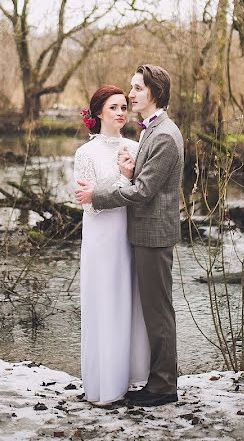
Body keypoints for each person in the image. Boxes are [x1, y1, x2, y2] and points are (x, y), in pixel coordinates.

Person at [75, 65, 183, 408]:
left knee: (157, 312)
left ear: (154, 91)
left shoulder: (163, 134)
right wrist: (125, 175)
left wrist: (101, 193)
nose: (130, 96)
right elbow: (137, 182)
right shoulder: (150, 132)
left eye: (136, 89)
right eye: (126, 93)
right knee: (146, 312)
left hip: (152, 234)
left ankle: (163, 386)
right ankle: (148, 379)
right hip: (130, 236)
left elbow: (143, 191)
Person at [72, 85, 150, 407]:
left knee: (128, 305)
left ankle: (132, 378)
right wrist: (120, 179)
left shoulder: (135, 146)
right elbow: (88, 206)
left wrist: (123, 179)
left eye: (123, 107)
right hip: (100, 241)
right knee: (103, 305)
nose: (121, 113)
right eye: (114, 108)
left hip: (128, 237)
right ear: (99, 112)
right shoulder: (85, 154)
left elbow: (140, 194)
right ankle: (104, 385)